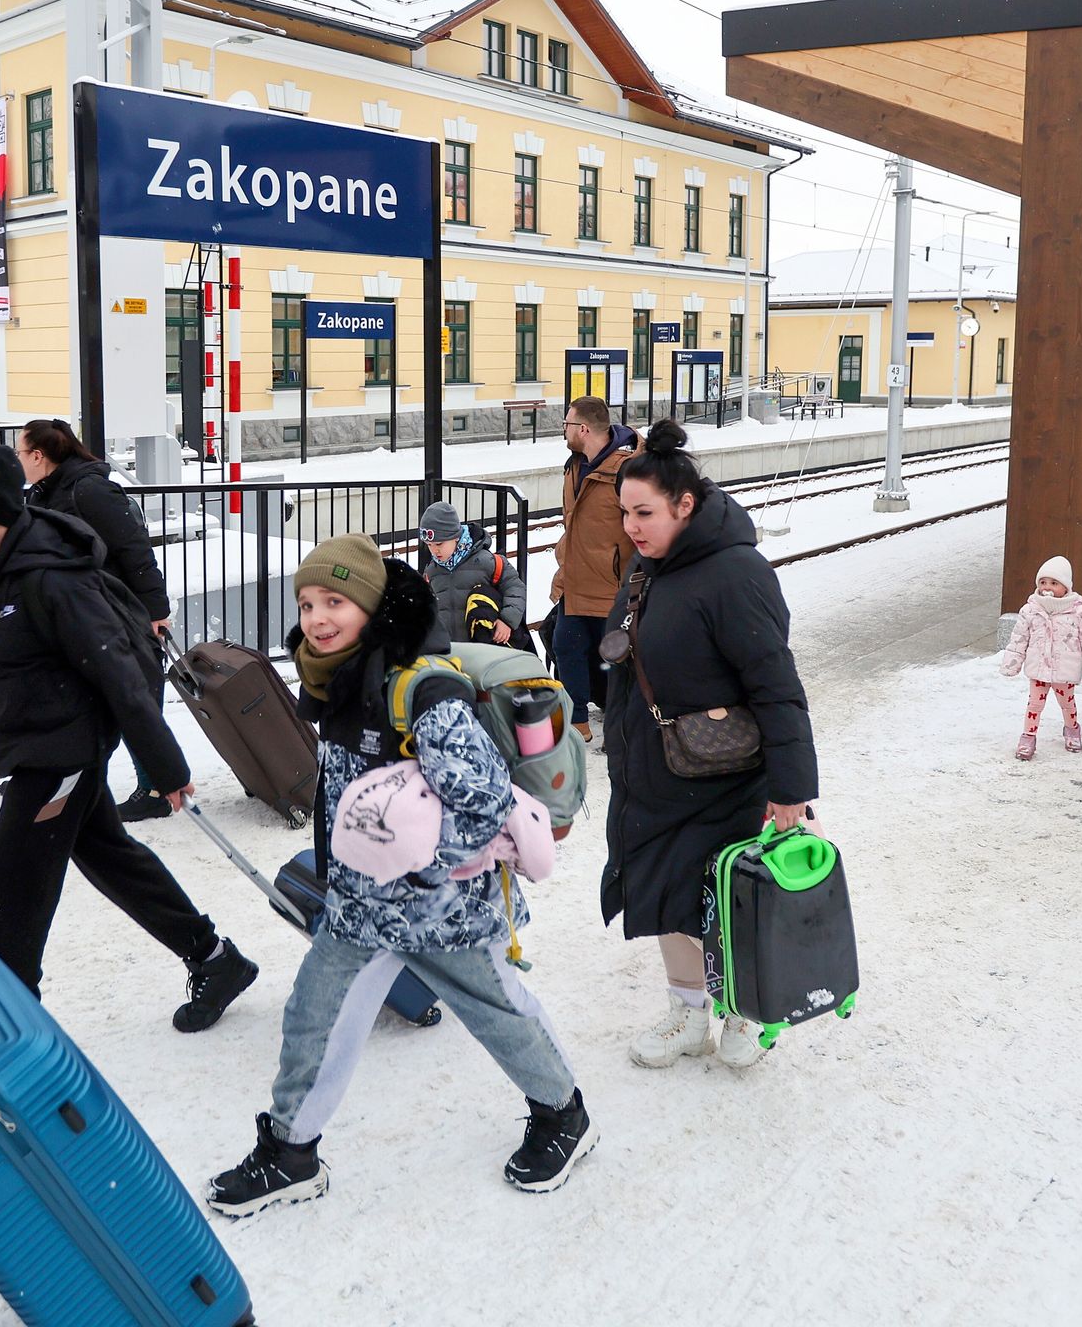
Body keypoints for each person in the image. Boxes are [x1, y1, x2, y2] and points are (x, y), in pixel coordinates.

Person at [207, 535, 594, 1217]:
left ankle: (563, 1115)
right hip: (359, 908)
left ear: (372, 606)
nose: (319, 617)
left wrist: (421, 869)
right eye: (308, 602)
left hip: (441, 909)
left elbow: (483, 799)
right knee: (314, 1019)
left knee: (499, 1014)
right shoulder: (337, 678)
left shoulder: (423, 689)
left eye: (336, 601)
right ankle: (290, 1152)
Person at [0, 444, 256, 1029]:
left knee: (5, 891)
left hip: (60, 758)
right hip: (42, 749)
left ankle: (13, 1027)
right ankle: (215, 959)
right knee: (113, 859)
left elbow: (120, 675)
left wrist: (166, 767)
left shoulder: (52, 578)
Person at [599, 421, 819, 1071]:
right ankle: (690, 1014)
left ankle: (748, 1010)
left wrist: (791, 792)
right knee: (665, 897)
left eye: (645, 513)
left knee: (730, 900)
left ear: (685, 505)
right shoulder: (649, 569)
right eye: (625, 513)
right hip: (655, 775)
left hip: (725, 777)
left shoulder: (736, 572)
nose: (632, 526)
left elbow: (778, 687)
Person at [16, 418, 179, 822]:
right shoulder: (45, 492)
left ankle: (156, 787)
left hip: (115, 610)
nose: (18, 460)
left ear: (39, 456)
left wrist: (155, 610)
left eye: (20, 453)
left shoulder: (89, 489)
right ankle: (60, 782)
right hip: (78, 610)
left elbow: (134, 549)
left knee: (129, 696)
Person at [550, 395, 637, 740]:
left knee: (617, 659)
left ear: (583, 429)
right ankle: (577, 720)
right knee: (565, 644)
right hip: (575, 578)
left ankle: (621, 723)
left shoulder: (628, 468)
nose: (564, 431)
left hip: (611, 585)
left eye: (567, 424)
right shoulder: (574, 464)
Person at [1000, 555, 1082, 760]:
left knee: (1067, 703)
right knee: (1034, 704)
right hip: (1038, 669)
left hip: (1065, 670)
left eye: (1054, 583)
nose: (1047, 587)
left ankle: (1072, 728)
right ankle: (1028, 737)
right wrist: (1011, 663)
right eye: (1043, 582)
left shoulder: (1080, 612)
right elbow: (1018, 639)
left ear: (1066, 586)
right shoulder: (1030, 610)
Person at [418, 500, 525, 645]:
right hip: (451, 651)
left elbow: (515, 587)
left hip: (485, 648)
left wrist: (507, 620)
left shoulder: (486, 561)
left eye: (439, 544)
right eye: (429, 545)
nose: (434, 550)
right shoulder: (431, 571)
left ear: (455, 537)